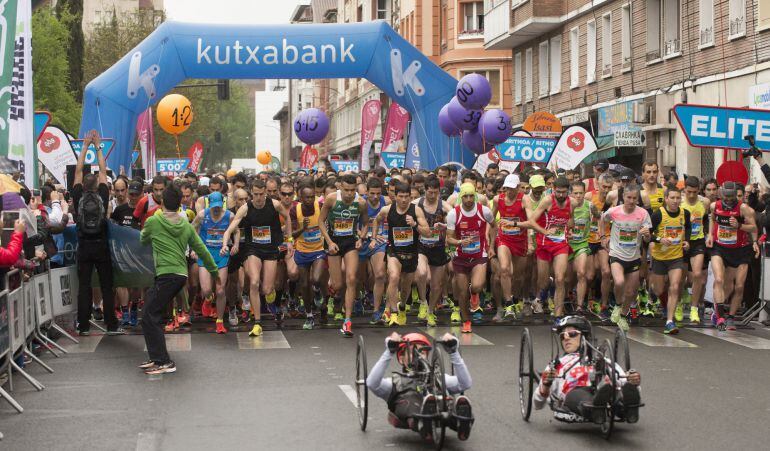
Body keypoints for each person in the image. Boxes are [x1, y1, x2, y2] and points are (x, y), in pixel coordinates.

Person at [139, 185, 218, 374]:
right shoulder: (185, 225)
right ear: (180, 203)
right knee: (149, 314)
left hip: (166, 275)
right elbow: (202, 250)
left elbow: (143, 239)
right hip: (180, 275)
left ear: (162, 202)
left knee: (150, 315)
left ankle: (164, 362)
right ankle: (155, 357)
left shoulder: (153, 221)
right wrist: (214, 272)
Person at [366, 332, 474, 442]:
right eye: (412, 351)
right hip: (411, 411)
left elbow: (465, 383)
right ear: (401, 358)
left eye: (422, 351)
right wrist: (389, 352)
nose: (418, 355)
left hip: (441, 409)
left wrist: (453, 352)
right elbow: (372, 383)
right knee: (411, 400)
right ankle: (423, 421)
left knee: (454, 401)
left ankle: (461, 422)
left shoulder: (438, 377)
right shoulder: (396, 381)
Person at [535, 316, 642, 424]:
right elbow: (537, 403)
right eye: (562, 336)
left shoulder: (603, 359)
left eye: (572, 333)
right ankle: (596, 409)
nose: (566, 338)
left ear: (584, 336)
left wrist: (634, 382)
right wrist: (545, 385)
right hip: (575, 391)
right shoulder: (557, 364)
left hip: (605, 388)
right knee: (582, 397)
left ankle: (626, 408)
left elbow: (625, 383)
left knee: (617, 392)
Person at [221, 179, 293, 337]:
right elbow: (229, 230)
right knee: (253, 281)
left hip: (271, 249)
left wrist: (289, 240)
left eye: (261, 194)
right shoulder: (246, 208)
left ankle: (270, 291)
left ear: (266, 193)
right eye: (255, 194)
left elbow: (287, 217)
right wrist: (225, 244)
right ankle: (258, 323)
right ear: (251, 194)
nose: (259, 198)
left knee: (266, 289)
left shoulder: (274, 205)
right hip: (253, 248)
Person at [71, 130, 122, 336]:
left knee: (84, 286)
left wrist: (84, 147)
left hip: (83, 246)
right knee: (106, 285)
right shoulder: (103, 193)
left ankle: (83, 325)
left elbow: (77, 170)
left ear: (82, 185)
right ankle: (111, 324)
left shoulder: (77, 195)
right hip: (101, 244)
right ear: (99, 184)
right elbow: (103, 169)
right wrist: (98, 146)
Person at [370, 182, 433, 326]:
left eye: (407, 197)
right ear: (395, 196)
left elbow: (428, 233)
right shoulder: (387, 210)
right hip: (394, 252)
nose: (404, 200)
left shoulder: (416, 211)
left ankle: (402, 307)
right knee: (393, 277)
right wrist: (374, 238)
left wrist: (415, 225)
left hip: (411, 253)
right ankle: (393, 313)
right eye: (401, 196)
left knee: (405, 288)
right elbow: (376, 221)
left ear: (410, 197)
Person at [318, 174, 369, 336]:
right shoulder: (331, 199)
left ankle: (347, 321)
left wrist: (361, 238)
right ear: (340, 187)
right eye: (346, 190)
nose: (349, 193)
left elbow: (366, 222)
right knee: (338, 285)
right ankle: (325, 292)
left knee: (352, 278)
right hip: (333, 241)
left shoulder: (361, 203)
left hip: (350, 242)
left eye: (352, 190)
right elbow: (320, 221)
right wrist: (329, 241)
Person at [706, 181, 757, 330]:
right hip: (719, 247)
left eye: (731, 196)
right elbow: (712, 219)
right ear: (721, 193)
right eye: (726, 196)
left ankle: (731, 317)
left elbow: (754, 227)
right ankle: (720, 316)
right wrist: (710, 234)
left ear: (736, 194)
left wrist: (739, 226)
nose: (728, 199)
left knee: (738, 286)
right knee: (719, 279)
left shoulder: (744, 209)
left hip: (739, 250)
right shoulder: (714, 206)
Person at [445, 183, 496, 334]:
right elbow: (449, 239)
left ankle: (474, 294)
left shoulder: (484, 211)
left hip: (479, 255)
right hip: (461, 257)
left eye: (471, 196)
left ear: (475, 196)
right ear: (461, 197)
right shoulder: (454, 214)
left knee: (477, 286)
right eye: (465, 196)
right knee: (462, 292)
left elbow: (494, 226)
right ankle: (466, 321)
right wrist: (460, 242)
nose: (468, 199)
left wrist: (491, 246)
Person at [602, 185, 652, 332]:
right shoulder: (614, 211)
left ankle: (623, 315)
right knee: (619, 281)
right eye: (628, 197)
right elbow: (601, 219)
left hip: (634, 256)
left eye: (634, 198)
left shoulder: (642, 213)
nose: (631, 201)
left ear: (638, 199)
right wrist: (603, 237)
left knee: (631, 292)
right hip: (616, 253)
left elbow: (648, 239)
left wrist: (647, 234)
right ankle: (617, 305)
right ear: (623, 197)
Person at [528, 176, 574, 322]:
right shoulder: (547, 200)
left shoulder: (570, 202)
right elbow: (531, 221)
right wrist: (545, 231)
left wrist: (570, 229)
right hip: (544, 243)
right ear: (553, 189)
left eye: (564, 192)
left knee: (560, 278)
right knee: (543, 282)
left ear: (568, 191)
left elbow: (570, 219)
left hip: (561, 244)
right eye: (558, 192)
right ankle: (540, 298)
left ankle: (558, 315)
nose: (561, 195)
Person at [192, 192, 236, 334]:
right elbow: (192, 229)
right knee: (206, 290)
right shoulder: (202, 215)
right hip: (205, 254)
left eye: (218, 207)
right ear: (209, 204)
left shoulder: (229, 216)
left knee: (220, 290)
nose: (216, 209)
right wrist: (193, 248)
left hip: (221, 254)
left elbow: (236, 231)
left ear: (222, 203)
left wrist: (235, 245)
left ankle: (220, 321)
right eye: (213, 207)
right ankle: (207, 299)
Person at [649, 187, 691, 334]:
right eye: (672, 198)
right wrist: (660, 239)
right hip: (659, 257)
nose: (675, 201)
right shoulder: (658, 214)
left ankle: (669, 321)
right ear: (666, 199)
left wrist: (687, 242)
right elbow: (648, 234)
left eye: (678, 198)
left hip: (676, 257)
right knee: (659, 289)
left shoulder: (684, 213)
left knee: (675, 286)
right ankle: (659, 299)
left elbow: (688, 228)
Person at [491, 174, 530, 321]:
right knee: (505, 270)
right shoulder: (497, 199)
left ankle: (513, 301)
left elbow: (531, 221)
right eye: (507, 188)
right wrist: (490, 245)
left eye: (513, 188)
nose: (510, 191)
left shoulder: (524, 199)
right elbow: (491, 222)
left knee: (518, 277)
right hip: (504, 239)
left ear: (518, 187)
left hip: (520, 241)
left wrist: (515, 225)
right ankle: (506, 305)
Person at [414, 176, 451, 327]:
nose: (433, 195)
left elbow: (456, 218)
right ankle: (423, 302)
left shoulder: (444, 206)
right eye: (430, 192)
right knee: (422, 273)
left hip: (438, 246)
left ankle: (430, 312)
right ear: (425, 190)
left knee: (437, 285)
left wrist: (446, 225)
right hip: (421, 245)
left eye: (435, 193)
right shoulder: (417, 204)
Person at [292, 183, 328, 330]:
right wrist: (303, 228)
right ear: (300, 197)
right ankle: (309, 315)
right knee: (305, 285)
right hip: (302, 251)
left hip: (318, 249)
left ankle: (318, 293)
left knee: (316, 279)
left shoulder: (320, 207)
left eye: (312, 196)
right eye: (306, 197)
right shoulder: (295, 210)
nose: (309, 199)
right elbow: (291, 234)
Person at [681, 176, 710, 325]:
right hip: (681, 242)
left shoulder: (704, 202)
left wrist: (709, 234)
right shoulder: (679, 202)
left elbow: (708, 220)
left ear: (699, 190)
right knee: (683, 279)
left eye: (694, 192)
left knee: (697, 275)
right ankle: (679, 303)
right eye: (688, 192)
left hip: (697, 241)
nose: (691, 195)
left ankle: (693, 309)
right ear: (684, 189)